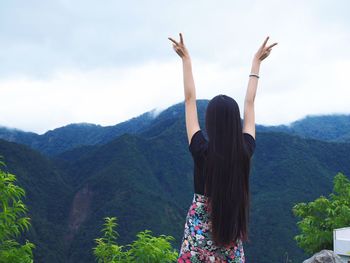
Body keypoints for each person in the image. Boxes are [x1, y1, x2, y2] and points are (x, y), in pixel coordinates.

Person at [168, 33, 277, 262]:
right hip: (230, 238)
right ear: (234, 121)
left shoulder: (200, 151)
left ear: (210, 123)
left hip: (196, 243)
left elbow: (189, 100)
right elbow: (250, 103)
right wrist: (256, 63)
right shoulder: (245, 151)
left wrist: (185, 60)